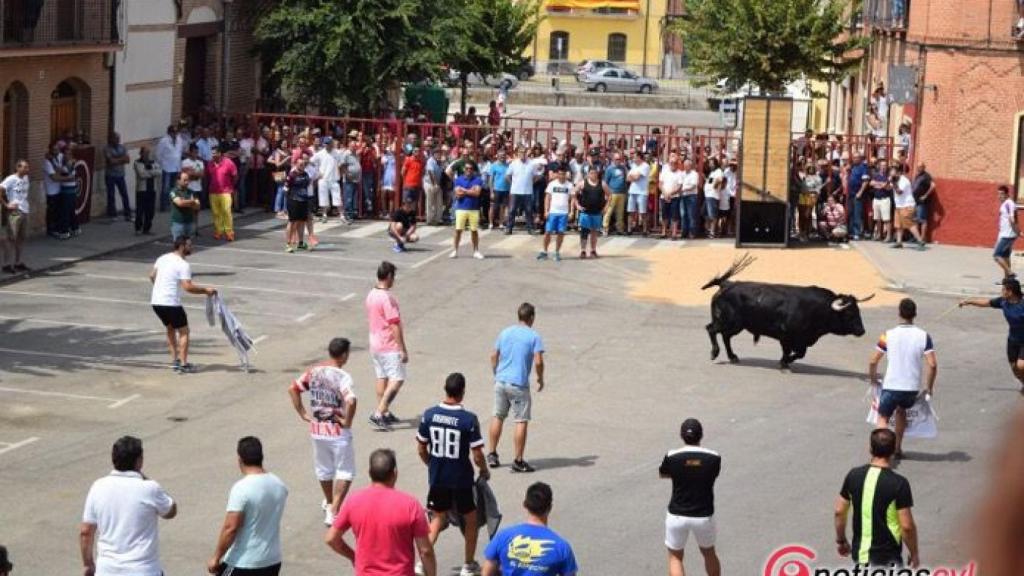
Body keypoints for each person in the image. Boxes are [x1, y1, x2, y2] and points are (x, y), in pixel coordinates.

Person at [416, 373, 491, 576]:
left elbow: (421, 448)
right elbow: (477, 454)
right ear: (463, 392)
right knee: (471, 519)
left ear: (445, 389)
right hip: (461, 480)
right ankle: (468, 564)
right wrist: (484, 470)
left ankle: (422, 562)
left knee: (437, 519)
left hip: (438, 477)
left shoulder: (429, 415)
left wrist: (431, 465)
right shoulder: (468, 420)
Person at [325, 449, 437, 576]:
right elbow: (425, 551)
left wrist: (353, 557)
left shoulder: (353, 501)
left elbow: (331, 539)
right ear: (395, 473)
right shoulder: (410, 505)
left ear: (369, 473)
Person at [80, 436, 178, 576]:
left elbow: (86, 532)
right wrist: (144, 477)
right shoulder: (149, 488)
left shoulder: (98, 487)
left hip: (107, 570)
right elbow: (171, 511)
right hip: (143, 570)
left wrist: (88, 564)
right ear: (139, 461)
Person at [288, 338, 357, 526]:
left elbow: (293, 388)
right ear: (344, 355)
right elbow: (350, 400)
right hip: (337, 431)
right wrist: (347, 421)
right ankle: (334, 509)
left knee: (324, 469)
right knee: (345, 471)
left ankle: (329, 502)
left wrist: (303, 413)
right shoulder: (342, 376)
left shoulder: (314, 372)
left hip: (317, 429)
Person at [834, 429, 919, 568]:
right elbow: (907, 526)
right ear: (892, 452)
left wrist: (841, 540)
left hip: (861, 556)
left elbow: (839, 511)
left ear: (870, 449)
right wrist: (914, 553)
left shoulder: (854, 475)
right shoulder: (898, 484)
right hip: (887, 558)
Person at [207, 437, 288, 576]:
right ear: (261, 457)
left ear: (240, 459)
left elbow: (230, 528)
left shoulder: (241, 489)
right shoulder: (279, 485)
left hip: (243, 562)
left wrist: (216, 557)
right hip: (272, 560)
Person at [868, 298, 937, 458]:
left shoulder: (888, 335)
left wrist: (872, 379)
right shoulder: (924, 336)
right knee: (901, 410)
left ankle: (880, 452)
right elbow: (932, 365)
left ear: (899, 313)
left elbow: (873, 360)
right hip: (911, 389)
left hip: (892, 385)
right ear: (915, 314)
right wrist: (929, 388)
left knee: (883, 417)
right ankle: (898, 448)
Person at [659, 418, 722, 576]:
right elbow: (713, 474)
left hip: (677, 515)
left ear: (681, 435)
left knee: (675, 557)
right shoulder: (714, 458)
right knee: (709, 553)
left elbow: (663, 473)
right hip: (703, 515)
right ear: (701, 435)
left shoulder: (672, 456)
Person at [488, 302, 545, 473]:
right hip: (518, 384)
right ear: (532, 318)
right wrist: (540, 378)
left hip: (500, 381)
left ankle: (492, 453)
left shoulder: (505, 332)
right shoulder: (534, 336)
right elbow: (539, 361)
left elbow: (493, 355)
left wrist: (496, 372)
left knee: (498, 416)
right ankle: (518, 460)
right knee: (521, 420)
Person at [149, 236, 216, 373]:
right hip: (171, 303)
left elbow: (151, 275)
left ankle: (175, 361)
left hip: (156, 301)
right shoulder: (183, 264)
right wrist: (205, 291)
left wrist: (159, 288)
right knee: (184, 331)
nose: (191, 248)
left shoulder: (162, 258)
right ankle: (184, 364)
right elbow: (188, 287)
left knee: (170, 328)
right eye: (189, 245)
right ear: (181, 246)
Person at [482, 482, 577, 576]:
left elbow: (487, 572)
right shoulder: (561, 547)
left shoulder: (503, 536)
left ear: (525, 505)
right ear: (550, 508)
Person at [959, 277, 1024, 394]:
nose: (1002, 292)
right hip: (1013, 340)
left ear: (1011, 291)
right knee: (1014, 368)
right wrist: (969, 301)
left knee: (1021, 365)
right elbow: (986, 303)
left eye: (1003, 289)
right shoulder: (1003, 302)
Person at [366, 261, 409, 430]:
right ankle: (379, 412)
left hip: (375, 344)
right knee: (397, 379)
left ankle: (384, 412)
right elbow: (394, 324)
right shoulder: (387, 298)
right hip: (388, 345)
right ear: (389, 276)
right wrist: (402, 349)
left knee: (382, 377)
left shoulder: (371, 294)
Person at [0, 160, 30, 274]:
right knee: (10, 238)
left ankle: (18, 262)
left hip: (25, 210)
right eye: (25, 167)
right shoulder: (11, 179)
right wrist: (6, 204)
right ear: (17, 168)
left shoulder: (26, 178)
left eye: (28, 167)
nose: (27, 169)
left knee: (21, 238)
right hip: (15, 212)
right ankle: (6, 264)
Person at [451, 161, 485, 260]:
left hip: (474, 209)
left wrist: (464, 190)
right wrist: (471, 190)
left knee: (474, 231)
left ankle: (476, 251)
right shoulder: (458, 179)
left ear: (473, 170)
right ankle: (455, 250)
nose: (468, 170)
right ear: (464, 170)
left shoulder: (478, 180)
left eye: (470, 169)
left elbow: (477, 193)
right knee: (458, 230)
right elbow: (457, 193)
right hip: (461, 208)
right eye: (466, 168)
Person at [537, 166, 572, 261]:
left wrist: (571, 212)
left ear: (566, 175)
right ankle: (544, 251)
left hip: (563, 213)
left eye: (563, 174)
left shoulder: (569, 185)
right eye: (560, 174)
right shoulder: (552, 184)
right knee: (548, 232)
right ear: (557, 174)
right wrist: (546, 210)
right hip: (552, 212)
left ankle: (557, 252)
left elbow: (572, 199)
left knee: (561, 233)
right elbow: (547, 198)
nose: (561, 176)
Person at [890, 164, 925, 250]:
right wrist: (889, 182)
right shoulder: (894, 180)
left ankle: (920, 241)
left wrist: (893, 182)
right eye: (891, 174)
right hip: (899, 205)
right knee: (899, 225)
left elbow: (899, 192)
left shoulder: (904, 181)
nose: (892, 176)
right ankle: (899, 242)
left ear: (899, 173)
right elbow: (888, 188)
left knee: (909, 224)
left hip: (907, 206)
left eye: (894, 174)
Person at [576, 165, 607, 259]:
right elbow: (573, 193)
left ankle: (593, 250)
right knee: (584, 232)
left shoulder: (602, 183)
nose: (594, 175)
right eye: (591, 173)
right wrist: (577, 205)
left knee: (594, 232)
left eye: (595, 173)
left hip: (597, 211)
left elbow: (610, 195)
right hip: (585, 211)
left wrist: (606, 207)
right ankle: (583, 251)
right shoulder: (582, 183)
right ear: (588, 174)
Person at [208, 145, 239, 241]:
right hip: (213, 192)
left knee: (226, 212)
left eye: (214, 153)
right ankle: (218, 231)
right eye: (212, 153)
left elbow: (235, 175)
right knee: (216, 213)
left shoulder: (228, 162)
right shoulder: (210, 163)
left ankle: (229, 233)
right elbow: (209, 176)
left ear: (220, 153)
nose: (213, 155)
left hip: (226, 192)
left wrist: (231, 186)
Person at [506, 146, 538, 235]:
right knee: (512, 210)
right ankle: (509, 228)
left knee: (529, 210)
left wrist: (530, 183)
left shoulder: (531, 164)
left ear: (527, 153)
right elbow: (507, 176)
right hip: (515, 191)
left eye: (524, 152)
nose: (522, 154)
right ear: (517, 153)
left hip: (527, 192)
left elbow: (536, 176)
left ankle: (530, 228)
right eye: (520, 152)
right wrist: (513, 184)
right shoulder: (513, 163)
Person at [284, 155, 312, 253]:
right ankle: (288, 244)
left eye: (303, 164)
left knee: (301, 221)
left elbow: (307, 184)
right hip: (293, 200)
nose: (302, 165)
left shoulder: (306, 174)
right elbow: (286, 188)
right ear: (296, 164)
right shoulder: (292, 175)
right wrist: (287, 202)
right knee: (292, 222)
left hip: (303, 200)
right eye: (300, 164)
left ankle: (300, 243)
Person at [992, 185, 1018, 281]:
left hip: (1008, 235)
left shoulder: (1009, 203)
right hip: (1004, 234)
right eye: (998, 194)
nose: (999, 196)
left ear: (1007, 194)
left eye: (1002, 194)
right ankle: (1008, 280)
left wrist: (1017, 232)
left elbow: (1012, 218)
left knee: (997, 255)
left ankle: (1010, 273)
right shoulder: (1005, 204)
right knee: (1005, 257)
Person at [156, 125, 185, 211]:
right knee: (165, 188)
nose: (175, 134)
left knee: (173, 188)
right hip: (167, 167)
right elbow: (158, 154)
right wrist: (163, 163)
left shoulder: (179, 140)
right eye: (173, 132)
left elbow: (179, 153)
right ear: (169, 132)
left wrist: (180, 167)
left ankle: (171, 205)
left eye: (176, 132)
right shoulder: (164, 141)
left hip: (176, 167)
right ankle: (163, 206)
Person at [104, 132, 132, 221]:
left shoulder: (122, 147)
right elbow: (111, 162)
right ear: (111, 139)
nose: (117, 140)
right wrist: (121, 159)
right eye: (116, 138)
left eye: (118, 138)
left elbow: (127, 160)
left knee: (124, 194)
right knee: (111, 195)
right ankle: (112, 214)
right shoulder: (106, 148)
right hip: (110, 175)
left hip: (120, 175)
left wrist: (117, 159)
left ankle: (128, 214)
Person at [133, 147, 160, 236]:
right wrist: (152, 173)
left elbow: (159, 172)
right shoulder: (137, 163)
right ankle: (138, 228)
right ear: (141, 154)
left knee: (150, 210)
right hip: (142, 190)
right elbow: (141, 174)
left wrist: (148, 172)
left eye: (148, 153)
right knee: (140, 210)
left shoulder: (154, 162)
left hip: (152, 189)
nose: (147, 155)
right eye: (145, 153)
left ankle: (147, 228)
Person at [602, 152, 628, 235]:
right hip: (612, 193)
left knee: (620, 212)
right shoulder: (609, 169)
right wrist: (606, 193)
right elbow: (605, 181)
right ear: (613, 159)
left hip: (622, 193)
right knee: (609, 211)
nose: (618, 161)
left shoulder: (623, 168)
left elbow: (625, 180)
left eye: (620, 159)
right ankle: (605, 228)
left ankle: (619, 228)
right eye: (617, 159)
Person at [169, 172, 200, 241]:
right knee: (178, 246)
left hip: (189, 222)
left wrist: (185, 202)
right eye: (184, 180)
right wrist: (192, 202)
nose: (187, 182)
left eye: (188, 180)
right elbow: (180, 203)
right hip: (178, 223)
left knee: (188, 247)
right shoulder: (174, 191)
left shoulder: (191, 192)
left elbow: (197, 206)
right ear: (178, 181)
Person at [626, 151, 651, 236]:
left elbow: (636, 178)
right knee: (630, 211)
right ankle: (629, 229)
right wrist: (633, 177)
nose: (633, 158)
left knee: (643, 212)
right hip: (632, 190)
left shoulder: (645, 166)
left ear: (639, 157)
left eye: (635, 157)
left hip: (642, 192)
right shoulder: (633, 166)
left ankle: (644, 230)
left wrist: (632, 177)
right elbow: (627, 178)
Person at [488, 148, 511, 230]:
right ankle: (490, 223)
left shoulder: (508, 165)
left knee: (503, 207)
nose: (502, 157)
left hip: (506, 189)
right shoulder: (494, 165)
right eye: (501, 156)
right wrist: (491, 192)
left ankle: (501, 223)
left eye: (504, 156)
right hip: (496, 189)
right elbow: (491, 179)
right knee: (493, 206)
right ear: (497, 156)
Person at [911, 163, 935, 242]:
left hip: (922, 202)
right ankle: (916, 237)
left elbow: (933, 186)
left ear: (924, 167)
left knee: (922, 220)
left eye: (920, 167)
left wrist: (925, 195)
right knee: (915, 219)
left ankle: (922, 238)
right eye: (917, 167)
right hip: (915, 201)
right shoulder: (918, 175)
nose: (918, 168)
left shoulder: (926, 176)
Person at [679, 159, 700, 239]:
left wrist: (683, 189)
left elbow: (693, 185)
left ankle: (692, 233)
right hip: (683, 196)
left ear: (690, 166)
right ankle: (684, 232)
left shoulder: (694, 174)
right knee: (683, 215)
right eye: (684, 165)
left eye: (687, 165)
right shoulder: (682, 174)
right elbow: (680, 184)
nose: (686, 167)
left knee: (691, 215)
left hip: (691, 196)